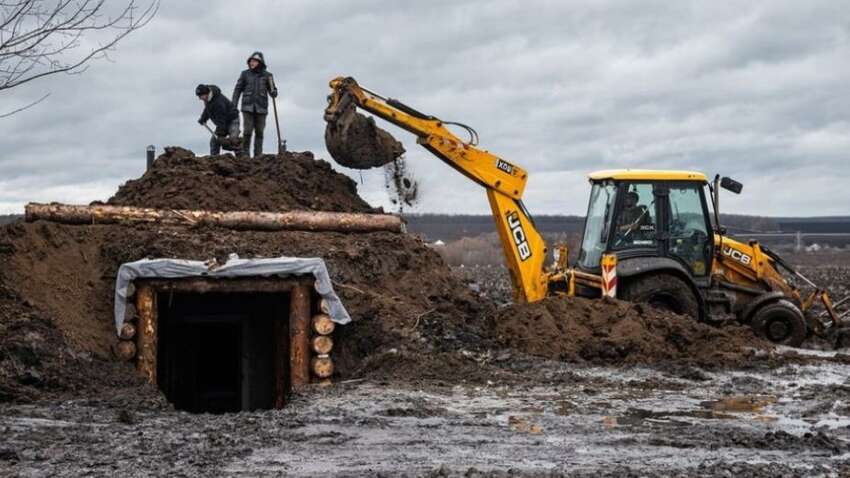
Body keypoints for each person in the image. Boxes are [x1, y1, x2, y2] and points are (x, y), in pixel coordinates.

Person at [232, 51, 278, 157]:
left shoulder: (268, 76)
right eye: (251, 61)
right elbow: (237, 90)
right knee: (247, 130)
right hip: (247, 106)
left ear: (260, 62)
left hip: (261, 108)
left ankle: (258, 154)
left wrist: (274, 92)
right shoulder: (245, 74)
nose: (252, 63)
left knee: (259, 132)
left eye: (255, 61)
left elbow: (273, 91)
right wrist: (233, 104)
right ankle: (245, 153)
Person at [196, 84, 241, 156]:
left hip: (232, 120)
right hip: (222, 122)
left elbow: (222, 120)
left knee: (233, 141)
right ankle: (214, 159)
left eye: (200, 96)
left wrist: (220, 135)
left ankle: (243, 159)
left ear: (206, 93)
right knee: (214, 142)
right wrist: (203, 118)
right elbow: (207, 109)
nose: (199, 98)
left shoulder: (218, 102)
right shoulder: (208, 99)